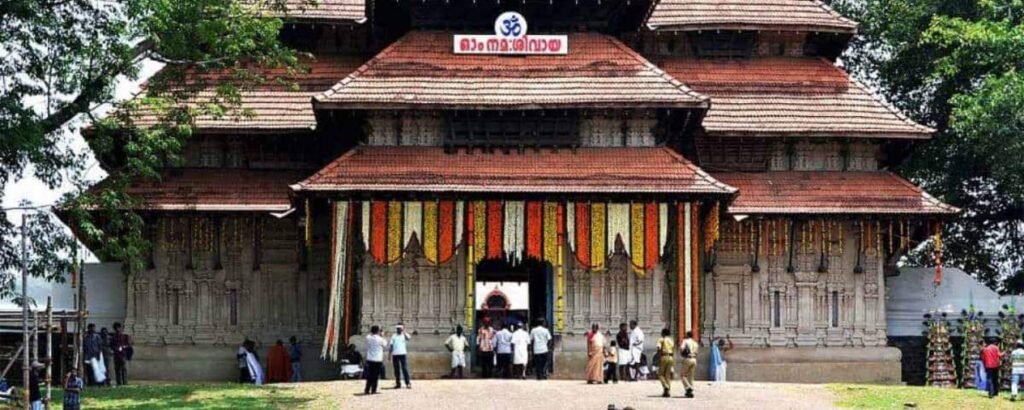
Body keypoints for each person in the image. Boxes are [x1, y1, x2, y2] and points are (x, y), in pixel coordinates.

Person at [364, 325, 387, 394]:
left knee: (369, 375)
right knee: (375, 375)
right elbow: (385, 344)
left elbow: (368, 335)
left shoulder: (368, 338)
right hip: (377, 359)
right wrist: (382, 335)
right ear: (378, 331)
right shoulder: (380, 339)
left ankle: (367, 389)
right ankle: (373, 390)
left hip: (370, 359)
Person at [390, 324, 412, 388]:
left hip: (403, 354)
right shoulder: (394, 336)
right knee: (396, 370)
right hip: (395, 354)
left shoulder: (404, 335)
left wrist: (404, 332)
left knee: (404, 368)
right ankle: (398, 383)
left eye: (400, 328)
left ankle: (407, 383)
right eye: (398, 329)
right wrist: (389, 354)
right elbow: (391, 345)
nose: (399, 330)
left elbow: (408, 338)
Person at [656, 328, 675, 397]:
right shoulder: (671, 340)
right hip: (671, 357)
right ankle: (667, 391)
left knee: (660, 374)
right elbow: (673, 350)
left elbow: (658, 348)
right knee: (668, 375)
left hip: (664, 356)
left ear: (663, 333)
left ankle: (665, 386)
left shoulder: (661, 339)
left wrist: (658, 357)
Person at [680, 331, 699, 398]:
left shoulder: (685, 341)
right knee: (691, 377)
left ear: (687, 335)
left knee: (683, 375)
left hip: (687, 359)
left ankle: (688, 387)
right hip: (694, 359)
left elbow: (681, 348)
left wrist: (682, 353)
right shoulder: (695, 343)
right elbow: (697, 352)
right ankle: (689, 392)